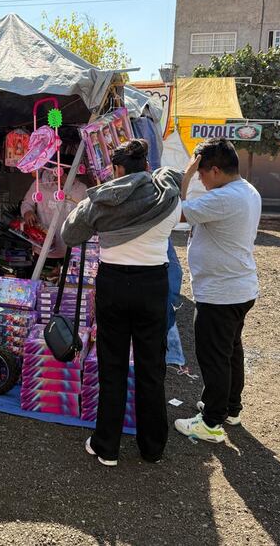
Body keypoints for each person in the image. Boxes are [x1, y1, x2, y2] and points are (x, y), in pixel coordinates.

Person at [62, 139, 182, 466]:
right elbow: (174, 177)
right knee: (151, 367)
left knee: (111, 365)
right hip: (153, 284)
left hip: (113, 284)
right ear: (146, 167)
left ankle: (106, 446)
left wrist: (97, 201)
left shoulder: (102, 201)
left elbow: (69, 234)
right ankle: (152, 447)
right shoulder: (168, 197)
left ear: (116, 169)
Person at [174, 138, 261, 444]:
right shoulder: (246, 190)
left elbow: (177, 212)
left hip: (220, 293)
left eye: (201, 174)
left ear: (213, 169)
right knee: (230, 352)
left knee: (213, 358)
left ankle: (211, 423)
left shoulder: (223, 199)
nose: (199, 179)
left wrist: (184, 174)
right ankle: (229, 408)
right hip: (239, 287)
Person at [20, 154, 88, 267]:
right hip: (42, 248)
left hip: (69, 250)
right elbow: (27, 204)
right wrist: (28, 212)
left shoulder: (81, 190)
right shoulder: (40, 185)